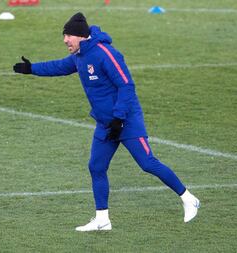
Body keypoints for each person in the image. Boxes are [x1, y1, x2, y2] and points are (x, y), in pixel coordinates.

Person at [13, 12, 200, 232]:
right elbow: (59, 67)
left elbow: (126, 86)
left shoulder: (105, 54)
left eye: (69, 36)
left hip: (126, 120)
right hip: (105, 123)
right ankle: (102, 219)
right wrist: (31, 69)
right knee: (96, 166)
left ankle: (189, 199)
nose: (65, 40)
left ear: (81, 36)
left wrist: (119, 118)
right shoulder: (80, 55)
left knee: (147, 163)